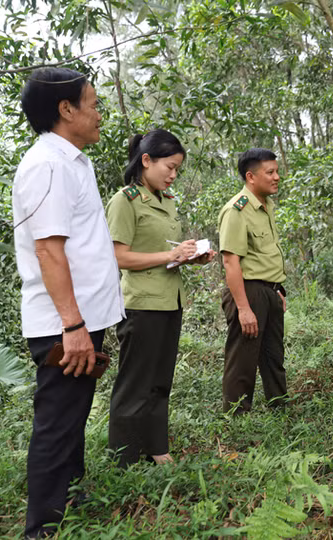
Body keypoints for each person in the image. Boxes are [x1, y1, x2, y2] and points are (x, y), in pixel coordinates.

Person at [12, 67, 125, 538]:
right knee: (58, 422)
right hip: (65, 322)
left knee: (73, 415)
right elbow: (48, 250)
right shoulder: (48, 165)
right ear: (66, 110)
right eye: (94, 104)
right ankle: (43, 528)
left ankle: (70, 497)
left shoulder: (74, 160)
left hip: (81, 317)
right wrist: (73, 325)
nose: (100, 114)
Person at [105, 129, 215, 467]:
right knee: (135, 383)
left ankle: (155, 446)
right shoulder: (125, 200)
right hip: (141, 304)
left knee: (160, 381)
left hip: (171, 301)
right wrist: (167, 256)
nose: (173, 175)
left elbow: (165, 253)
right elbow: (118, 256)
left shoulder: (167, 202)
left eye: (178, 169)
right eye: (169, 166)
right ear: (147, 160)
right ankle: (123, 458)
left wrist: (190, 256)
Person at [218, 148, 288, 413]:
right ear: (251, 176)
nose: (276, 177)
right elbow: (230, 262)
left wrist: (276, 290)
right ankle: (236, 419)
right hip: (248, 292)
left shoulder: (266, 206)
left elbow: (266, 256)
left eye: (276, 171)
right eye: (269, 172)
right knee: (243, 360)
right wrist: (244, 308)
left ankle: (280, 411)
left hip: (268, 291)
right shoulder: (237, 210)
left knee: (273, 357)